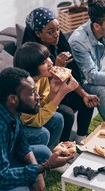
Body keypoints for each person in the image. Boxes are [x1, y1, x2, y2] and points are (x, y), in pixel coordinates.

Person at [22, 7, 100, 144]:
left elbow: (65, 76)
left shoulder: (58, 43)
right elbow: (44, 90)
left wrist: (84, 94)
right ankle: (61, 146)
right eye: (51, 31)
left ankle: (81, 137)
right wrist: (57, 67)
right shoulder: (33, 57)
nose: (57, 34)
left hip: (52, 89)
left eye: (58, 29)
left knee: (86, 99)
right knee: (67, 113)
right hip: (43, 95)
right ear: (38, 34)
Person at [13, 42, 78, 151]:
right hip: (13, 124)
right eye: (43, 62)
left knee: (58, 118)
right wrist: (61, 94)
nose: (50, 62)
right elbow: (35, 120)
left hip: (26, 118)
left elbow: (39, 106)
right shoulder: (24, 89)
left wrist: (53, 92)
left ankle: (53, 155)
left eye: (48, 57)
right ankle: (40, 161)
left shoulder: (40, 77)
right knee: (43, 133)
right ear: (32, 67)